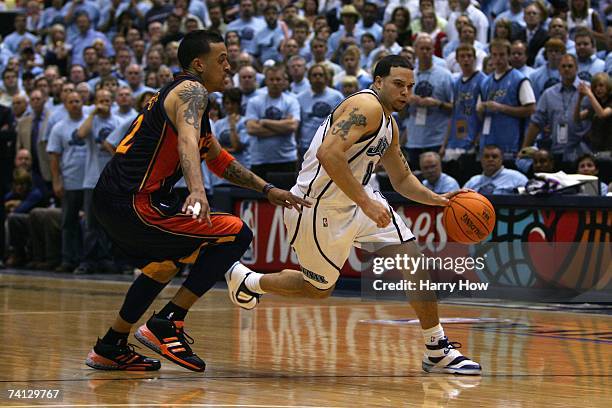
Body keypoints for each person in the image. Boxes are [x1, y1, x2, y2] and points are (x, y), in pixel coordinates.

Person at [226, 55, 481, 375]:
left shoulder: (389, 123)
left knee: (412, 259)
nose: (405, 92)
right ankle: (251, 281)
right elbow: (328, 154)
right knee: (318, 289)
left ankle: (436, 349)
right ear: (378, 82)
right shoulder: (367, 106)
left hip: (359, 201)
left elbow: (401, 179)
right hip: (318, 208)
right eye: (398, 84)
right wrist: (365, 202)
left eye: (410, 86)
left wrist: (439, 200)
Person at [85, 30, 308, 372]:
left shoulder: (186, 98)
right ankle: (168, 322)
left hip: (117, 199)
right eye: (222, 60)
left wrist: (267, 190)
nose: (229, 66)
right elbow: (186, 144)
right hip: (133, 200)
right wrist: (197, 191)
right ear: (198, 64)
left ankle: (111, 344)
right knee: (236, 232)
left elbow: (219, 159)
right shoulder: (191, 90)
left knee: (165, 264)